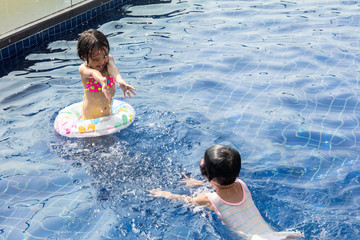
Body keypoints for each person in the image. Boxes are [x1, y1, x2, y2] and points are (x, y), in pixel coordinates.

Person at [148, 145, 303, 240]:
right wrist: (200, 182)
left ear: (208, 177)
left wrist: (165, 194)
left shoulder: (208, 199)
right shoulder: (242, 184)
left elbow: (186, 200)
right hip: (277, 236)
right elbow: (221, 185)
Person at [77, 29, 136, 119]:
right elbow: (93, 73)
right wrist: (101, 80)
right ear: (84, 57)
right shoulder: (83, 69)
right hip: (90, 120)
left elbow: (113, 69)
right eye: (96, 59)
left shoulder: (109, 60)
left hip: (108, 116)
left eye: (104, 56)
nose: (101, 62)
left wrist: (120, 80)